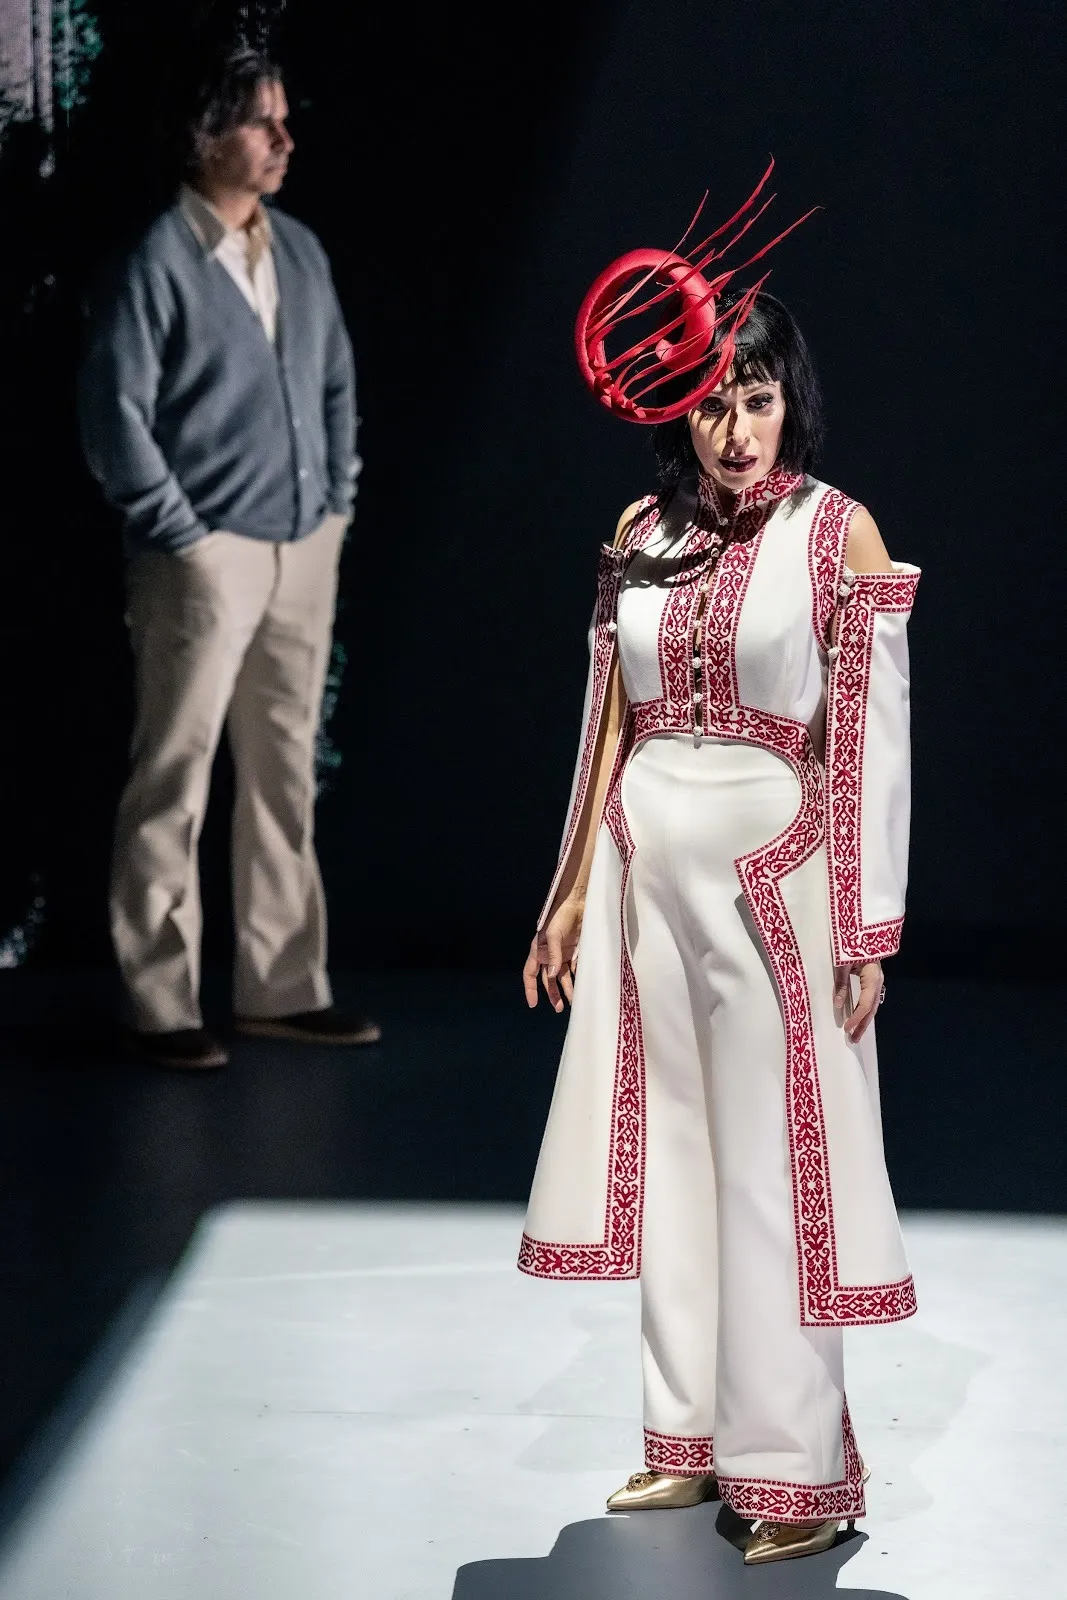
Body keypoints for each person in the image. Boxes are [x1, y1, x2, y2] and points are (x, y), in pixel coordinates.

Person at [521, 278, 919, 1564]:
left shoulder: (831, 534)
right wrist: (569, 890)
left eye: (754, 399)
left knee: (772, 1173)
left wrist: (864, 923)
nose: (735, 429)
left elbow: (867, 739)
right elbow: (607, 722)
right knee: (672, 1153)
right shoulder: (640, 529)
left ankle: (794, 1469)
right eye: (710, 404)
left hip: (774, 879)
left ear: (785, 397)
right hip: (649, 873)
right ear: (673, 411)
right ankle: (684, 1436)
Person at [78, 48, 379, 1069]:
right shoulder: (156, 259)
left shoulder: (296, 249)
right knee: (175, 776)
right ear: (206, 135)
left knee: (283, 774)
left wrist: (333, 507)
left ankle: (281, 988)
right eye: (261, 123)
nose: (285, 140)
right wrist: (184, 535)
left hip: (306, 550)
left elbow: (335, 383)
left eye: (285, 119)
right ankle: (160, 1003)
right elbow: (112, 417)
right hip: (202, 560)